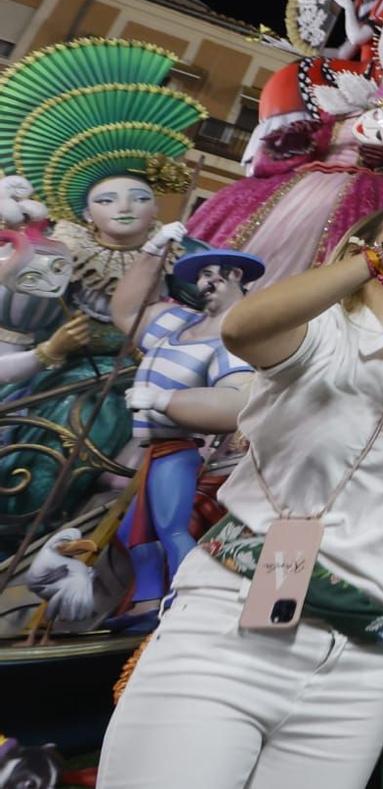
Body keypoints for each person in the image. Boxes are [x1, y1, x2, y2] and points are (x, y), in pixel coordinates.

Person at [98, 205, 383, 789]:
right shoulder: (322, 329)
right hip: (235, 629)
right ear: (361, 250)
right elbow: (242, 328)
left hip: (365, 660)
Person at [106, 224, 267, 606]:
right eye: (201, 276)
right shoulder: (179, 321)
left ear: (237, 278)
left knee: (170, 529)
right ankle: (146, 601)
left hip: (179, 450)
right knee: (134, 534)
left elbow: (234, 402)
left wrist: (162, 401)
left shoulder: (236, 339)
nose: (206, 283)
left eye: (215, 275)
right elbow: (127, 311)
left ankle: (184, 601)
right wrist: (152, 249)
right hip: (151, 449)